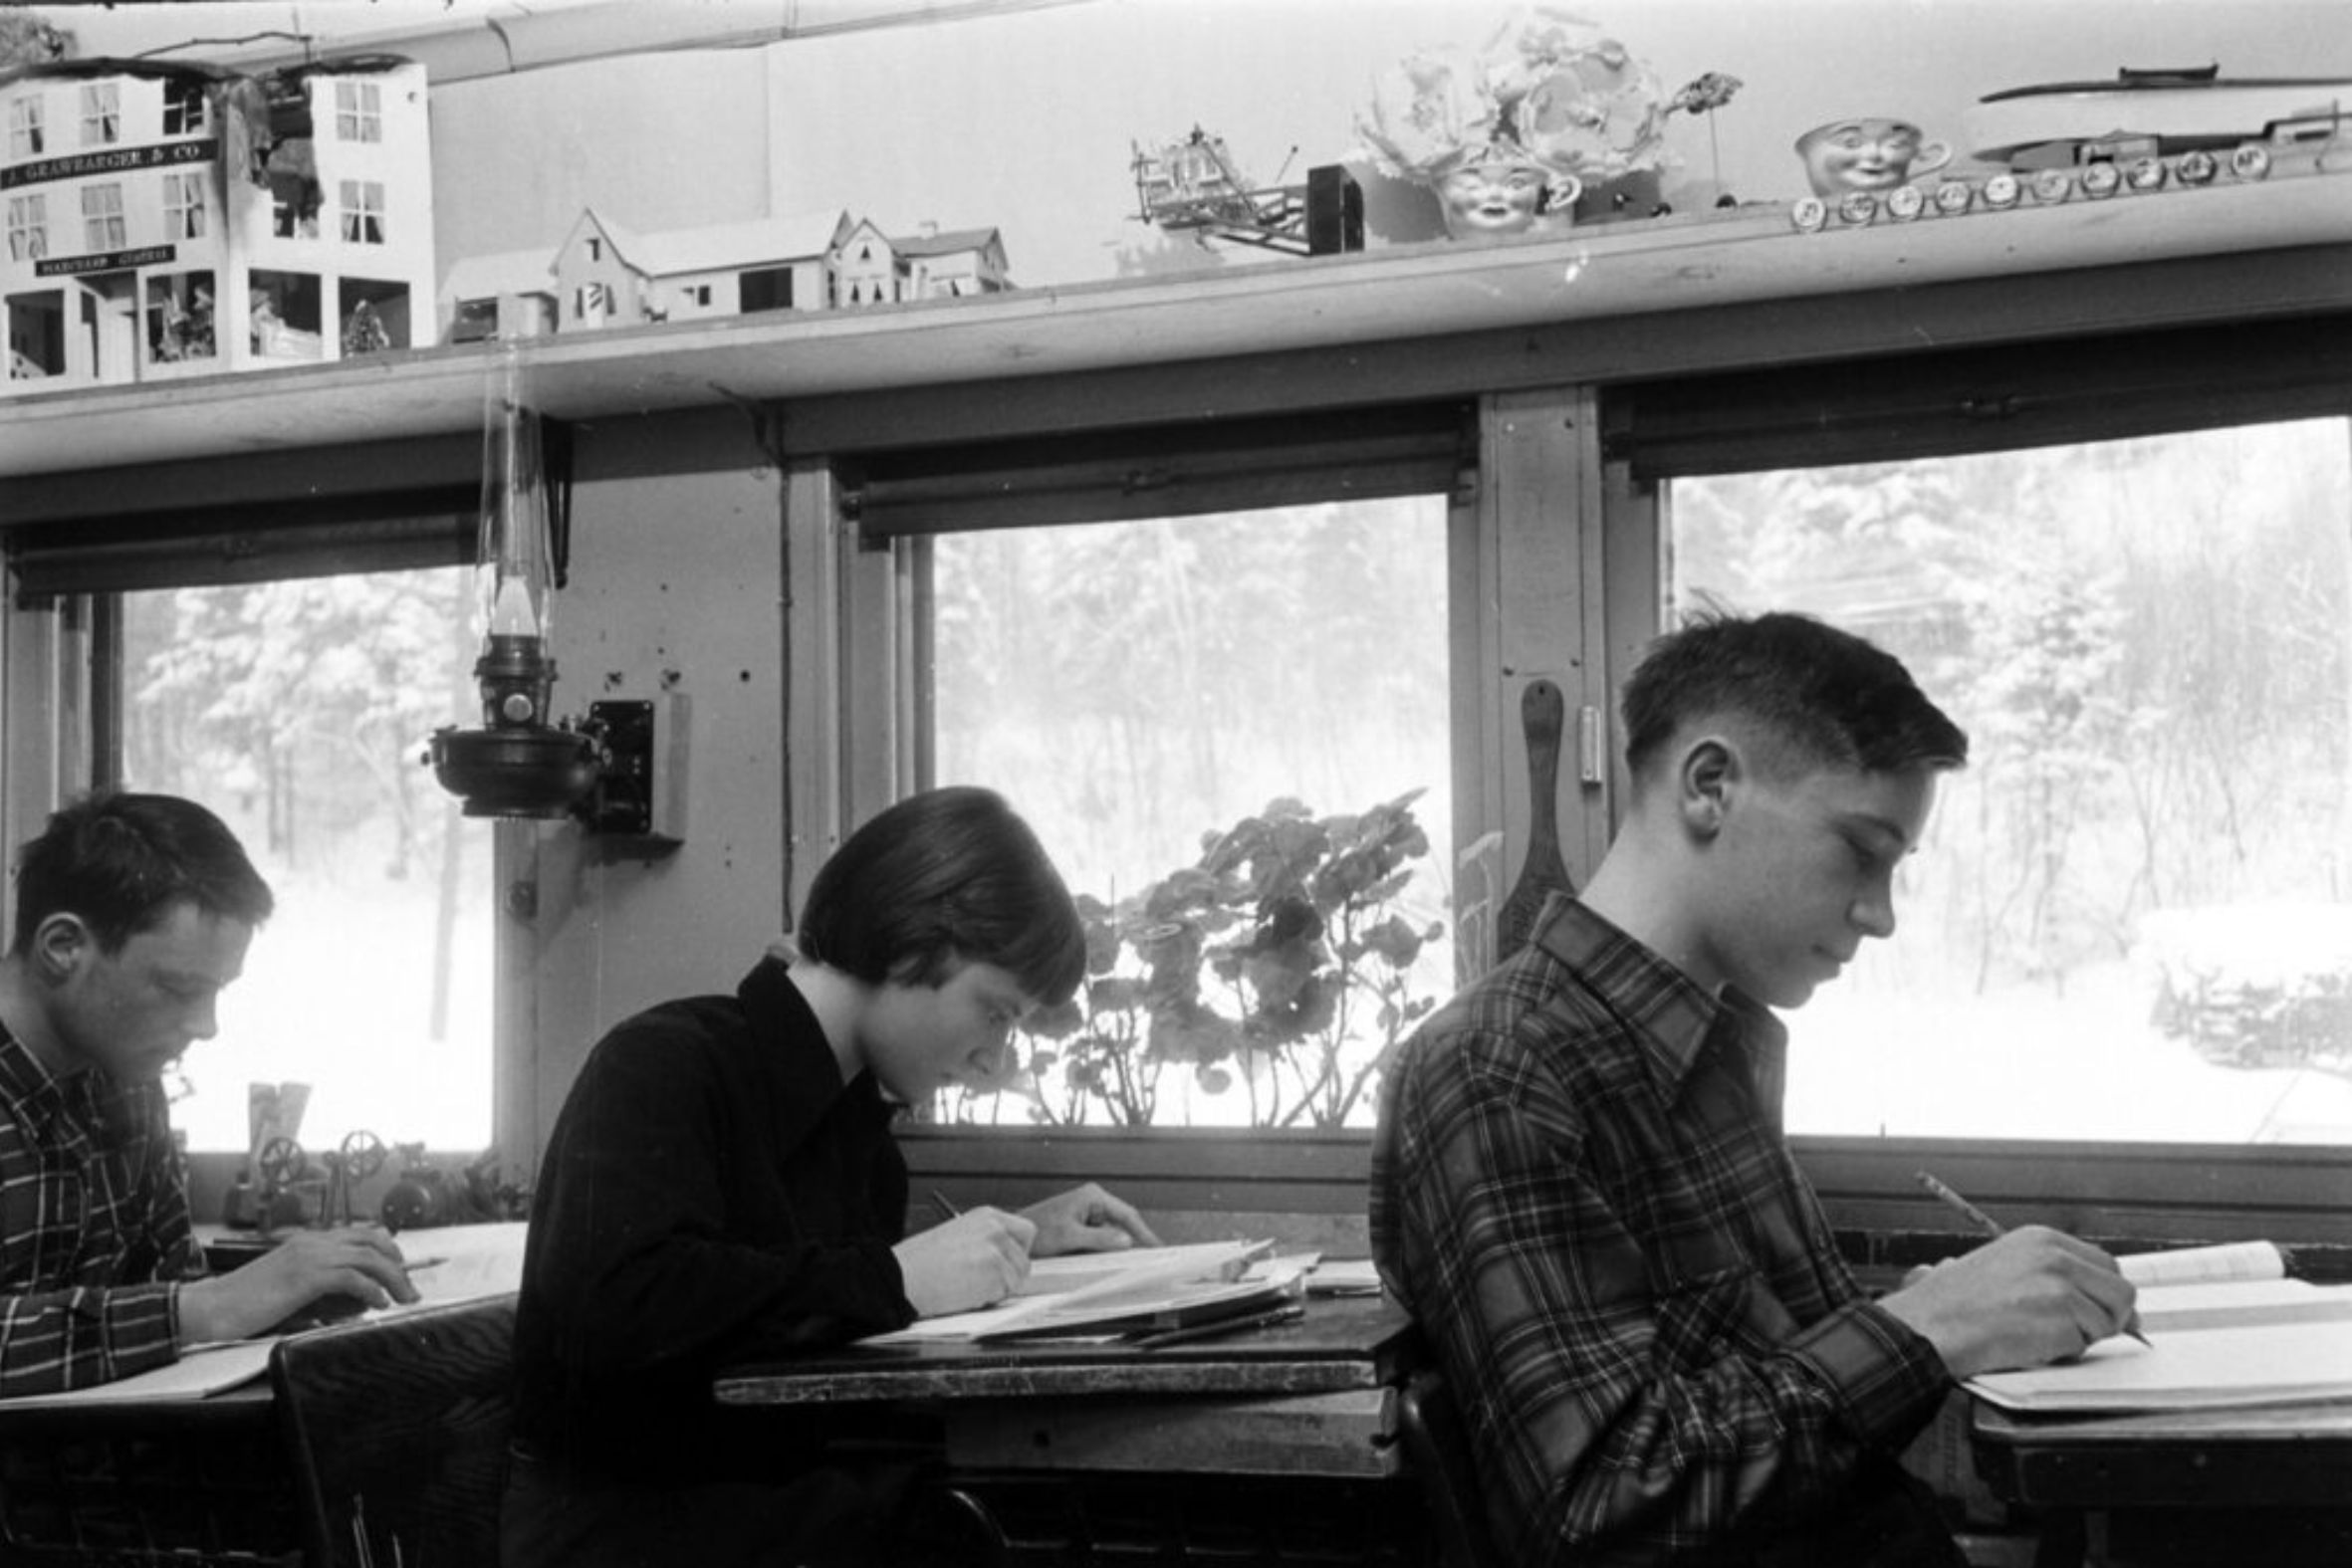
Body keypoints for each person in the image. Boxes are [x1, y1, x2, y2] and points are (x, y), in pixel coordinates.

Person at [1370, 612, 2141, 1568]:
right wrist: (1923, 1329)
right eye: (1863, 849)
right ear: (1710, 785)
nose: (1882, 914)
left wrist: (1936, 1319)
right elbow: (1598, 1505)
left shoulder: (1715, 1041)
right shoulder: (1499, 1067)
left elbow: (1774, 1393)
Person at [503, 784, 1163, 1568]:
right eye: (995, 1011)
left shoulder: (860, 1138)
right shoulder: (664, 1060)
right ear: (917, 937)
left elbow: (798, 1300)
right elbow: (614, 1304)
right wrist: (894, 1278)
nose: (994, 1060)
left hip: (759, 1513)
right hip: (628, 1531)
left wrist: (1020, 1243)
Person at [0, 791, 418, 1399]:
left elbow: (171, 1286)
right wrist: (208, 1309)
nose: (206, 1026)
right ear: (64, 947)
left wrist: (293, 1294)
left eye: (217, 991)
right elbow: (193, 1308)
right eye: (178, 988)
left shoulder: (130, 1082)